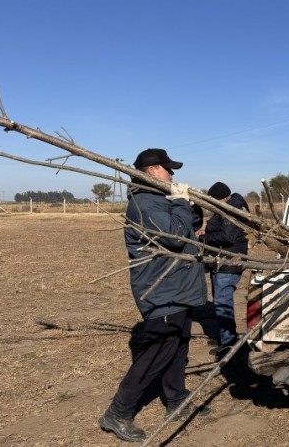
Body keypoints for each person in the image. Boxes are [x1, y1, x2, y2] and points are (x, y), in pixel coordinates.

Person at [99, 148, 209, 443]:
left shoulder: (158, 200)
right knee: (157, 351)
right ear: (151, 172)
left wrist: (190, 209)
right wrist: (182, 203)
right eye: (168, 169)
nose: (173, 175)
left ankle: (177, 400)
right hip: (161, 289)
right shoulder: (144, 202)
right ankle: (117, 412)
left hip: (178, 287)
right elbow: (172, 237)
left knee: (177, 347)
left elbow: (188, 229)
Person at [197, 181, 250, 356]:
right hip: (222, 261)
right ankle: (225, 335)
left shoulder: (232, 210)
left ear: (221, 197)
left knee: (223, 302)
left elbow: (227, 236)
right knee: (221, 301)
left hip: (229, 262)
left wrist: (204, 238)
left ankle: (229, 344)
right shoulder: (229, 206)